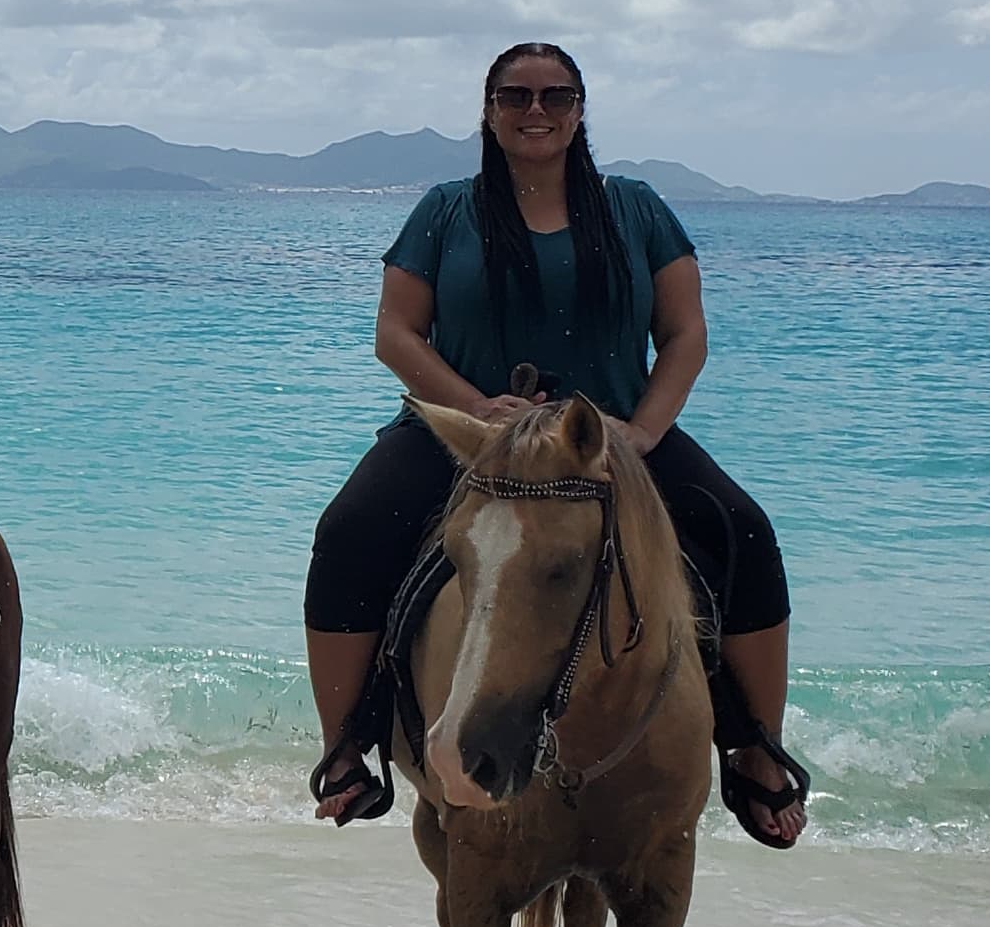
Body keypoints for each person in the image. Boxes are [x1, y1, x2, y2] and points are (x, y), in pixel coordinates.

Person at [302, 41, 809, 848]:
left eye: (555, 96)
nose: (535, 111)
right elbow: (395, 333)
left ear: (579, 111)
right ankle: (346, 746)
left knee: (743, 531)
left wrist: (644, 431)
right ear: (489, 111)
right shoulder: (445, 210)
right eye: (516, 96)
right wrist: (476, 408)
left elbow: (685, 333)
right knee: (349, 529)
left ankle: (754, 749)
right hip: (468, 435)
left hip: (611, 438)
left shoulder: (636, 208)